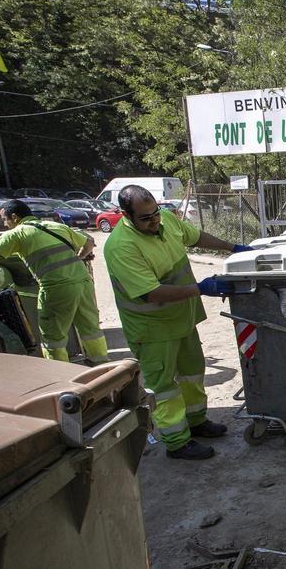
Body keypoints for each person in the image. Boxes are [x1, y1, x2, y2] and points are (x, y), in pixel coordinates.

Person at [103, 186, 251, 460]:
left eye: (155, 213)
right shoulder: (121, 246)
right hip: (152, 329)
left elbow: (194, 237)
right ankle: (177, 442)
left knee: (192, 373)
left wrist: (234, 248)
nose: (154, 220)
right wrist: (202, 287)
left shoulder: (166, 220)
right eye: (145, 218)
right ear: (126, 215)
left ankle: (197, 421)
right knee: (164, 387)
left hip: (182, 319)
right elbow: (151, 292)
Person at [0, 200, 108, 363]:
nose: (4, 224)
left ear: (15, 217)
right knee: (91, 328)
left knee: (52, 336)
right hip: (83, 282)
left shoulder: (16, 234)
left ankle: (61, 375)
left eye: (5, 219)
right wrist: (80, 257)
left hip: (56, 288)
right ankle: (102, 364)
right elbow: (89, 242)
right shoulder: (56, 226)